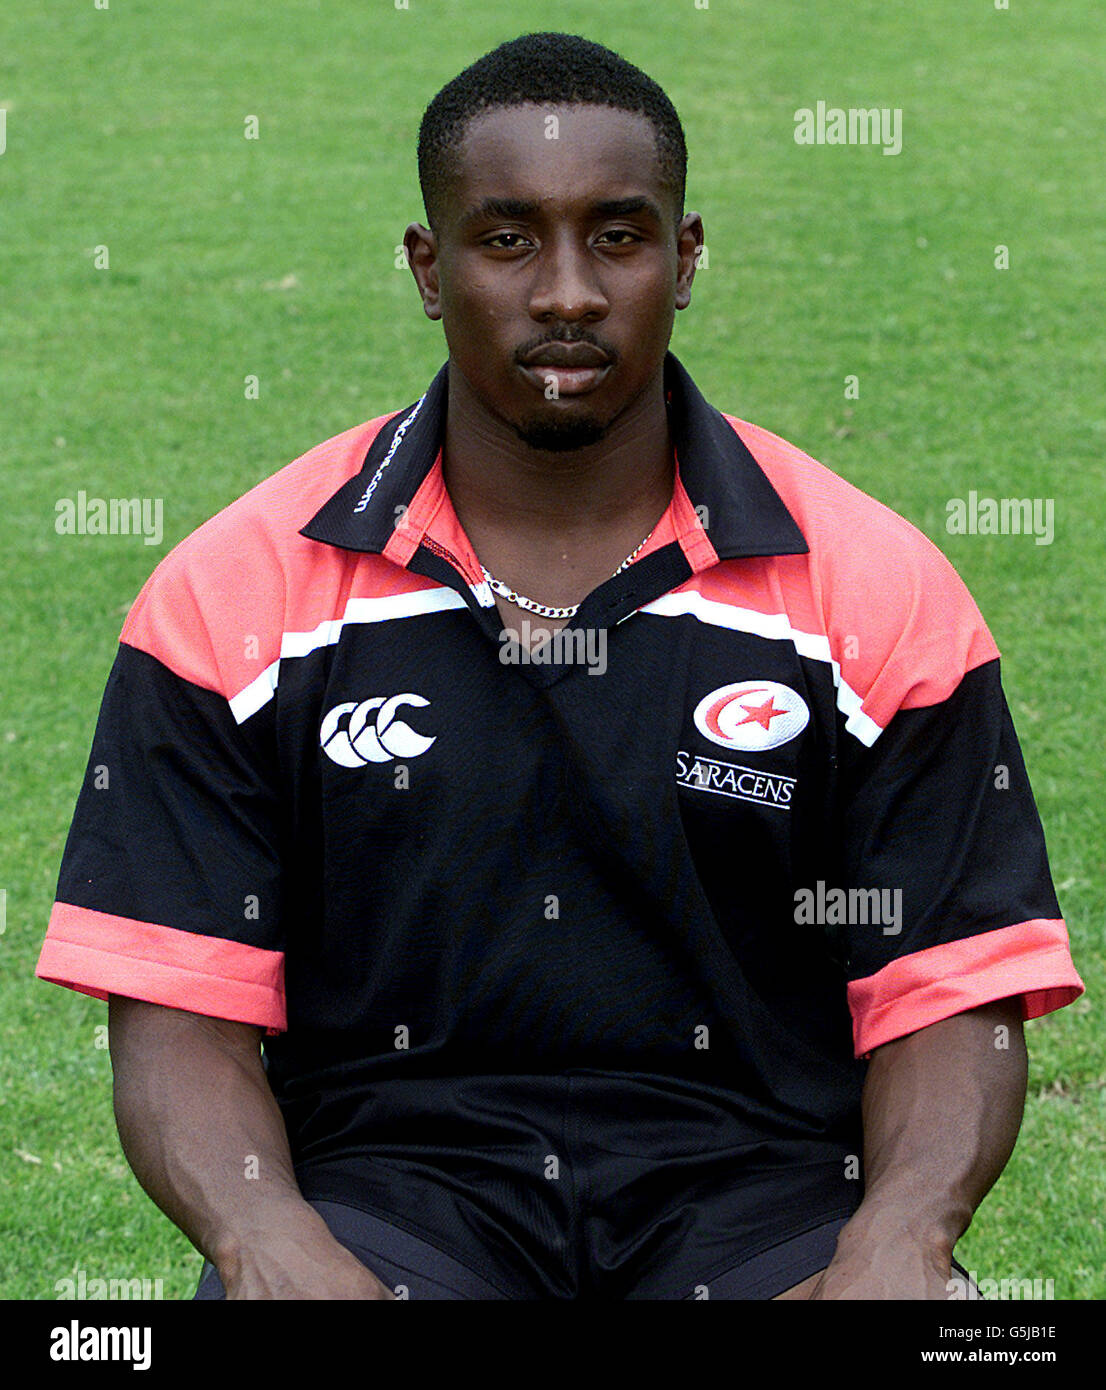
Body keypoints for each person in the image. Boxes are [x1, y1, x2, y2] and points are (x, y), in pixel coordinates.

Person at [36, 31, 1083, 1301]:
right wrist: (267, 1241)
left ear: (685, 259)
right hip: (393, 1200)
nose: (569, 292)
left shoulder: (873, 586)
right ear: (429, 269)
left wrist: (900, 1238)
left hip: (763, 1204)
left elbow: (948, 985)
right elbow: (177, 998)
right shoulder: (230, 597)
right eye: (508, 239)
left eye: (620, 236)